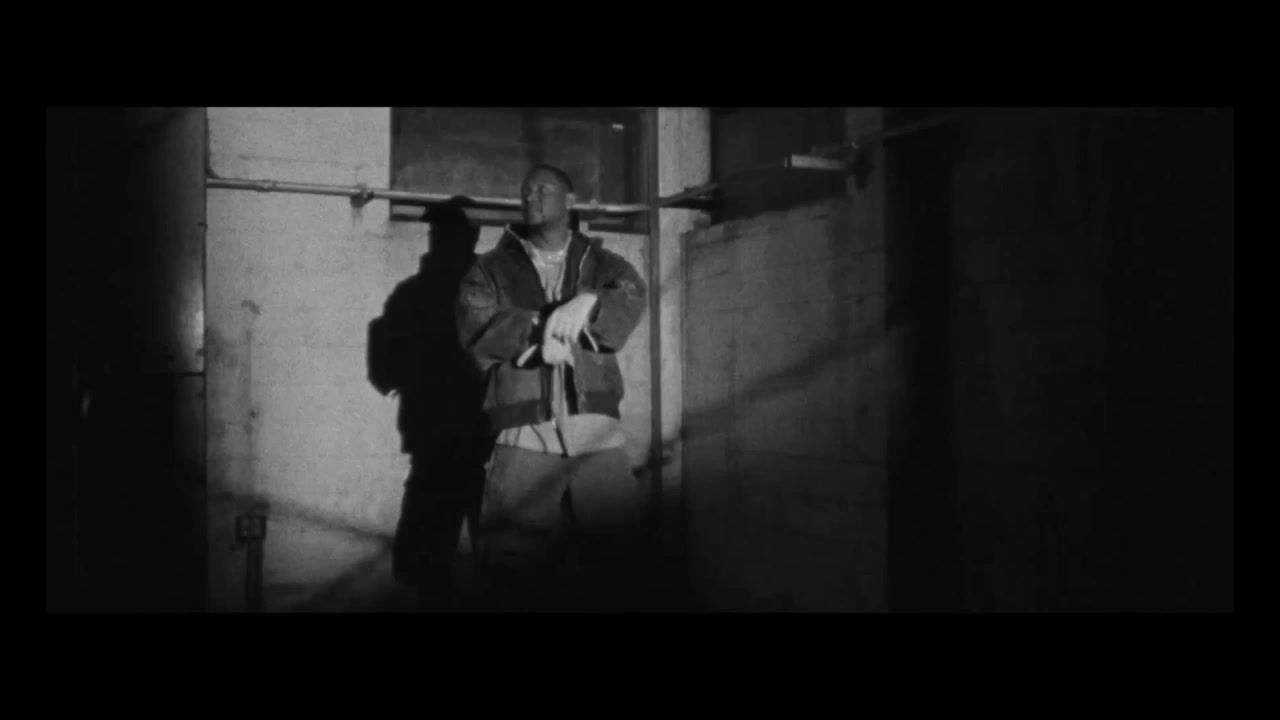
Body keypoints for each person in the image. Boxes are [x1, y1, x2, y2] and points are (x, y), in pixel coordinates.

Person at [455, 164, 648, 611]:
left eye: (543, 189)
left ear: (570, 200)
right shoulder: (490, 268)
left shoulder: (601, 262)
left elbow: (632, 292)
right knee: (511, 566)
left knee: (619, 561)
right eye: (525, 191)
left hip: (597, 432)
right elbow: (475, 326)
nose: (531, 196)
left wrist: (590, 301)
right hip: (524, 430)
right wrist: (538, 330)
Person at [368, 199, 491, 611]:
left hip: (466, 436)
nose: (440, 240)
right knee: (446, 550)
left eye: (445, 232)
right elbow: (384, 364)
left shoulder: (418, 293)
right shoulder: (488, 288)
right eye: (439, 233)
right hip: (460, 436)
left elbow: (385, 367)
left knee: (449, 548)